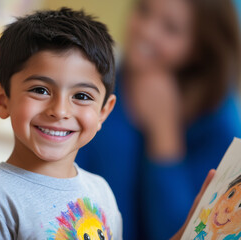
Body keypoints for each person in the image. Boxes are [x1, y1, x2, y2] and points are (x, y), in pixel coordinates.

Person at [76, 0, 241, 239]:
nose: (146, 30)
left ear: (200, 47)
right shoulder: (96, 87)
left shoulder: (221, 125)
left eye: (171, 28)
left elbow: (180, 231)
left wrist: (164, 132)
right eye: (144, 10)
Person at [0, 8, 121, 239]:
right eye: (40, 90)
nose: (60, 111)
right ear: (3, 100)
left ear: (103, 111)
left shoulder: (101, 191)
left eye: (82, 96)